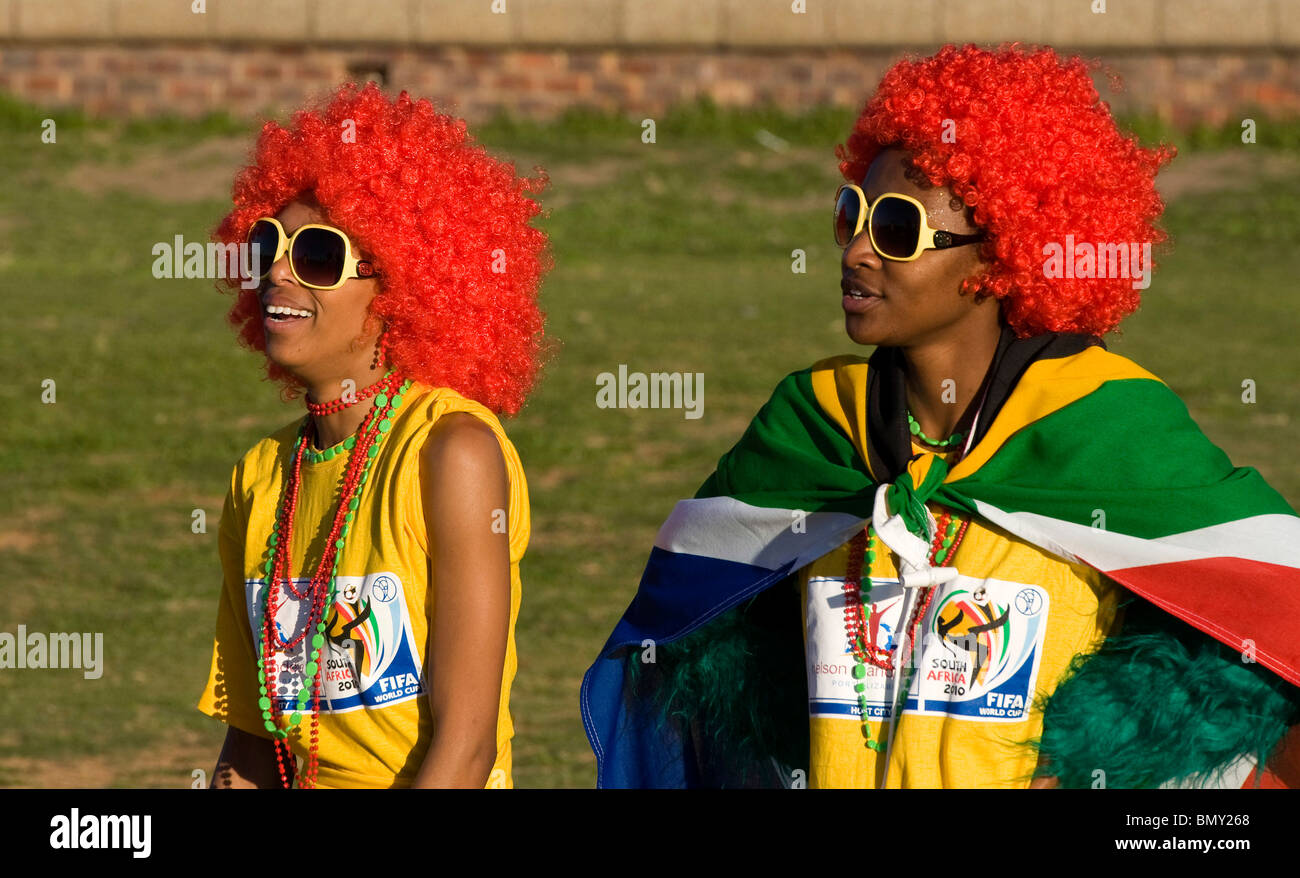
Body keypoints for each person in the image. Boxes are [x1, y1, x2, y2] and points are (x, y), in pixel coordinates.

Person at [581, 43, 1300, 789]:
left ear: (999, 258)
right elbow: (693, 618)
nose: (858, 251)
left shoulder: (1105, 423)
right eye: (850, 214)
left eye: (898, 229)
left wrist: (1099, 756)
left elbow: (1269, 609)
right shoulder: (815, 428)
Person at [197, 82, 549, 788]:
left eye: (317, 258)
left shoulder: (452, 452)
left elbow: (467, 745)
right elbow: (250, 747)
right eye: (268, 245)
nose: (275, 273)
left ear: (399, 289)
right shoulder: (262, 476)